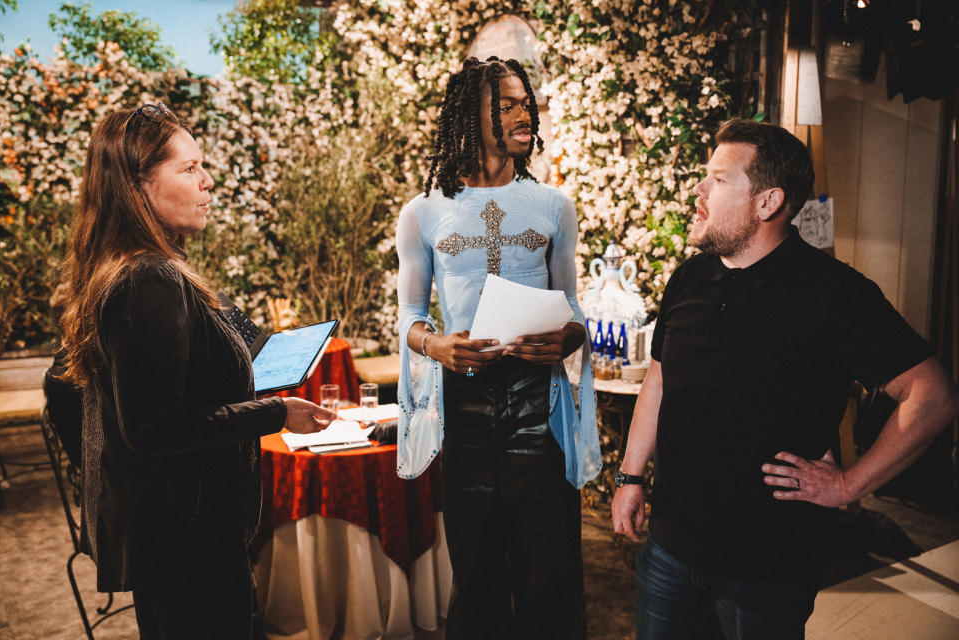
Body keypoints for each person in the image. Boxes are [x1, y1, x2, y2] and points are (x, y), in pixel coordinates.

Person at [611, 118, 959, 639]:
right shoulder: (689, 277)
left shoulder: (835, 294)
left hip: (768, 570)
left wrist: (849, 484)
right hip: (670, 551)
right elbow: (659, 383)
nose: (700, 189)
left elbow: (931, 395)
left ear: (768, 202)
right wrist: (631, 476)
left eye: (720, 179)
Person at [56, 103, 337, 639]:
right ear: (137, 187)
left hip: (174, 540)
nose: (208, 181)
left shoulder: (133, 269)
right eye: (189, 169)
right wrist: (275, 412)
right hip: (188, 541)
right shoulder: (148, 280)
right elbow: (154, 429)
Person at [395, 56, 601, 639]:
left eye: (525, 103)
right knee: (477, 575)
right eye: (506, 104)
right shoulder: (423, 212)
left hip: (539, 408)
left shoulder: (554, 206)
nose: (523, 114)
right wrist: (437, 346)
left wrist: (566, 335)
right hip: (465, 411)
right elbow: (410, 316)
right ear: (469, 115)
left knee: (550, 574)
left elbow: (575, 311)